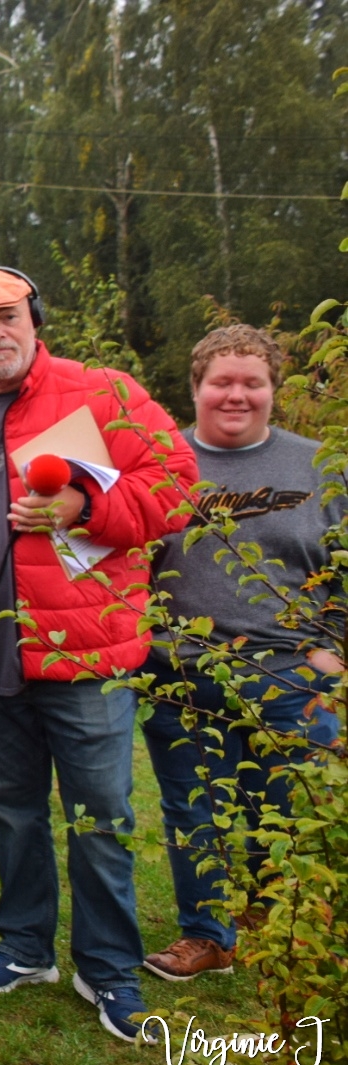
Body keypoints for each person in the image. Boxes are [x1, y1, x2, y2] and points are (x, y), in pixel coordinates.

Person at [0, 266, 197, 1042]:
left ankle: (107, 968)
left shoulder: (103, 394)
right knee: (13, 814)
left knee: (101, 818)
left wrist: (88, 505)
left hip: (83, 655)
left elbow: (178, 483)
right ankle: (25, 948)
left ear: (33, 318)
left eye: (7, 317)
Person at [139, 325, 343, 982]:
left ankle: (284, 929)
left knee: (285, 810)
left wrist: (334, 651)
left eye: (251, 382)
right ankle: (207, 936)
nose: (236, 395)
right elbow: (108, 555)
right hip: (181, 670)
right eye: (221, 382)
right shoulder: (158, 462)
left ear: (272, 390)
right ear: (194, 388)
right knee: (190, 806)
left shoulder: (322, 467)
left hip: (291, 672)